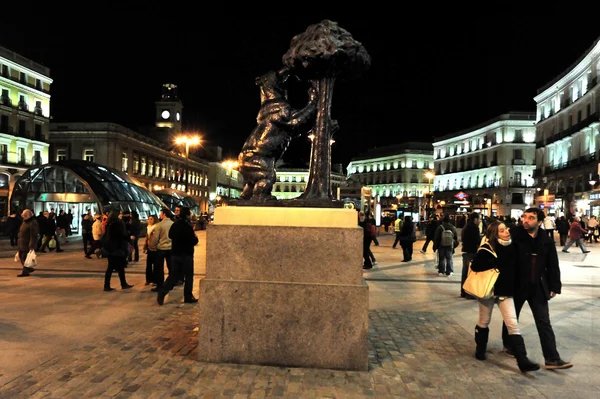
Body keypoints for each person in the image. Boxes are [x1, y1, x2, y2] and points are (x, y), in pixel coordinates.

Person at [501, 208, 573, 370]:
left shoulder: (545, 239)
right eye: (524, 217)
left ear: (539, 222)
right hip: (516, 285)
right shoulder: (514, 234)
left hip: (538, 287)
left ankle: (552, 358)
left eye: (531, 218)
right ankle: (509, 345)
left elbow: (553, 263)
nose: (525, 220)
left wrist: (555, 285)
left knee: (544, 322)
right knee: (512, 318)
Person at [471, 221, 540, 372]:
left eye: (506, 228)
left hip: (506, 291)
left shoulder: (513, 246)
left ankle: (522, 360)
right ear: (495, 233)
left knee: (512, 324)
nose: (507, 231)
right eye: (502, 230)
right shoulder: (487, 248)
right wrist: (495, 262)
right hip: (488, 291)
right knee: (484, 321)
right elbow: (475, 266)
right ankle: (480, 350)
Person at [157, 206, 199, 305]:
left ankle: (163, 292)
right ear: (187, 215)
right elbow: (194, 240)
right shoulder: (188, 227)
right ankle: (188, 297)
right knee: (188, 276)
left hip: (175, 254)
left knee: (174, 275)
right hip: (187, 255)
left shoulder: (175, 225)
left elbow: (170, 236)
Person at [101, 210, 134, 291]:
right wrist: (129, 238)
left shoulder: (110, 223)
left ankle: (117, 284)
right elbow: (120, 236)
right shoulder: (116, 224)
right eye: (119, 214)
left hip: (112, 248)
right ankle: (118, 284)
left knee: (115, 267)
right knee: (116, 267)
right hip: (116, 249)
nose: (121, 215)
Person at [460, 212, 481, 299]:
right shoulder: (474, 228)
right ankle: (469, 293)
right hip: (472, 252)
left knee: (465, 273)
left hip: (466, 251)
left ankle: (463, 292)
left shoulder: (466, 227)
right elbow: (477, 241)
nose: (480, 221)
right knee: (471, 273)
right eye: (479, 219)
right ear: (475, 219)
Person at [16, 209, 39, 277]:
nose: (23, 216)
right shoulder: (24, 222)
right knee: (20, 256)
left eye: (25, 215)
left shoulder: (33, 222)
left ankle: (25, 271)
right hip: (22, 242)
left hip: (27, 243)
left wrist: (32, 244)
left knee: (24, 257)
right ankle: (28, 268)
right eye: (23, 215)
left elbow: (33, 235)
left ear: (29, 215)